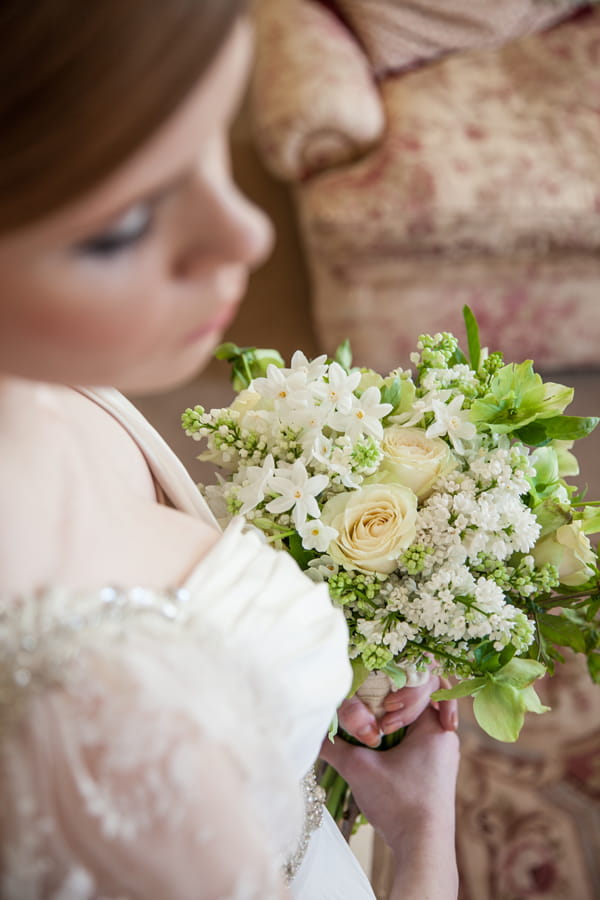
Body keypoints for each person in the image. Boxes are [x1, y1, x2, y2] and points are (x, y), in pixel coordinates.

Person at [0, 3, 460, 898]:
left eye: (210, 135)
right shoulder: (92, 728)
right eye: (124, 224)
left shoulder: (41, 376)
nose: (249, 234)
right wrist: (424, 837)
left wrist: (279, 690)